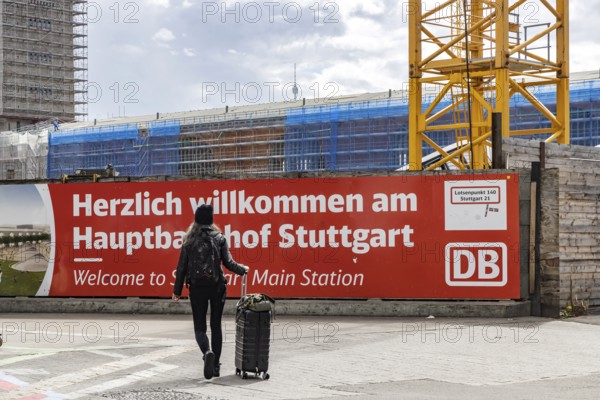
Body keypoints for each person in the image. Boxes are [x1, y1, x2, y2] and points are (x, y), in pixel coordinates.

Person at [172, 204, 249, 379]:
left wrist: (177, 291)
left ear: (196, 219)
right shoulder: (219, 238)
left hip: (197, 288)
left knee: (200, 327)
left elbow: (181, 267)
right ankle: (216, 367)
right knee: (216, 326)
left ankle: (207, 352)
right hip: (217, 287)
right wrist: (242, 269)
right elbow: (228, 263)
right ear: (211, 219)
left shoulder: (189, 239)